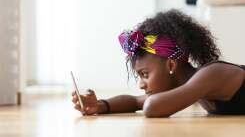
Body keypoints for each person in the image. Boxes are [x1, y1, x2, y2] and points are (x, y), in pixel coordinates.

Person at [72, 9, 245, 117]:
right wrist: (100, 106)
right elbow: (134, 101)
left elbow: (151, 107)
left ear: (171, 65)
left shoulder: (212, 74)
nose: (141, 85)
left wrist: (147, 102)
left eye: (145, 74)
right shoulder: (193, 85)